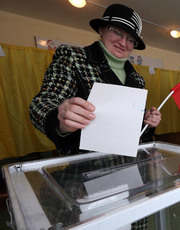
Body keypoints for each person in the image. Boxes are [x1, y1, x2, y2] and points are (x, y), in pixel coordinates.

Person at [29, 4, 161, 229]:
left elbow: (129, 127)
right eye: (117, 32)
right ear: (102, 29)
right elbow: (41, 103)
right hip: (87, 174)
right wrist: (59, 116)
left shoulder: (137, 79)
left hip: (132, 170)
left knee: (134, 222)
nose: (123, 42)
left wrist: (147, 122)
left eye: (131, 39)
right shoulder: (73, 57)